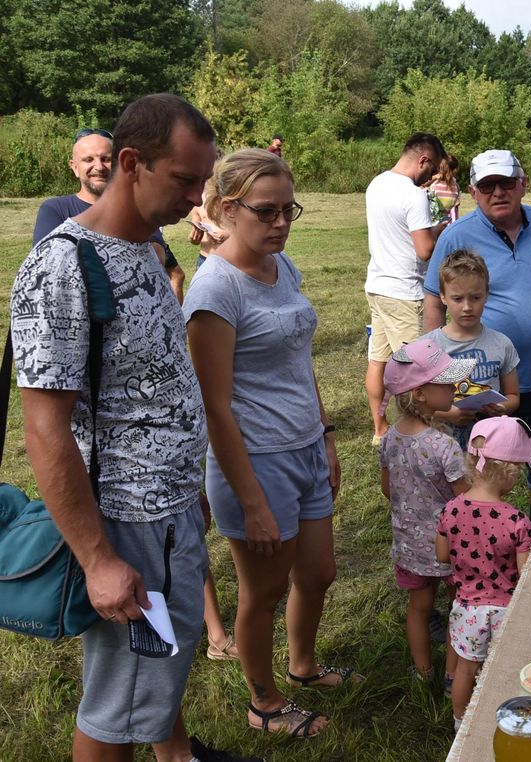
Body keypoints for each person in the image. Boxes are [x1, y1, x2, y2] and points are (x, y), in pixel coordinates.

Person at [11, 93, 257, 762]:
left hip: (169, 510)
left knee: (152, 677)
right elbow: (45, 430)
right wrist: (98, 559)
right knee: (113, 707)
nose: (194, 198)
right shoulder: (63, 266)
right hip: (124, 524)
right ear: (130, 163)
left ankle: (175, 754)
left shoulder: (146, 247)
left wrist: (186, 489)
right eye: (182, 180)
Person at [185, 148, 354, 740]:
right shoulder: (213, 291)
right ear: (228, 209)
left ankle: (302, 664)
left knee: (319, 572)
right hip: (254, 461)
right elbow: (214, 406)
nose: (281, 222)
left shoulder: (284, 268)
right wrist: (251, 498)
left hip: (305, 446)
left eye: (289, 210)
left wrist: (326, 435)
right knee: (263, 592)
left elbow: (299, 362)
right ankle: (264, 704)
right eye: (267, 211)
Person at [424, 149, 531, 531]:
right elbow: (433, 300)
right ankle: (476, 540)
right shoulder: (457, 236)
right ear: (473, 191)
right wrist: (435, 373)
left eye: (506, 183)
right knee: (477, 471)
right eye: (487, 185)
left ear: (523, 183)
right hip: (479, 386)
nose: (498, 192)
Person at [378, 338, 475, 682]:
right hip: (449, 545)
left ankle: (424, 673)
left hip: (409, 545)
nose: (454, 386)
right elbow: (464, 498)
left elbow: (386, 488)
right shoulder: (444, 445)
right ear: (420, 394)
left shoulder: (390, 438)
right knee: (458, 608)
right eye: (446, 380)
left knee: (419, 609)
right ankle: (453, 676)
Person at [435, 416, 531, 727]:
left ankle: (460, 722)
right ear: (509, 472)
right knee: (505, 670)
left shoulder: (451, 509)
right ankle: (506, 720)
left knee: (466, 669)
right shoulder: (517, 521)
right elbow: (526, 576)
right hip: (506, 610)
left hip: (467, 607)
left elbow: (441, 557)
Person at [33, 126, 186, 302]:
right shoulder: (54, 209)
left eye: (106, 159)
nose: (98, 166)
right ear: (74, 167)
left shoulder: (138, 207)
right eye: (88, 159)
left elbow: (155, 258)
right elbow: (48, 267)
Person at [364, 132, 449, 446]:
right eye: (432, 170)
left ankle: (380, 428)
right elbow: (424, 250)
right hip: (404, 290)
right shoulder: (413, 195)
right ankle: (415, 431)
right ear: (423, 159)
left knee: (378, 360)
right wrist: (441, 227)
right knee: (418, 369)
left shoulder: (376, 184)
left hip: (377, 285)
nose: (431, 177)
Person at [425, 249, 522, 448]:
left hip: (488, 444)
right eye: (458, 299)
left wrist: (501, 407)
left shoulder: (501, 344)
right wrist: (448, 413)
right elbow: (415, 404)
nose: (467, 307)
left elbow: (513, 396)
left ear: (486, 294)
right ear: (443, 296)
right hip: (440, 445)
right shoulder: (428, 347)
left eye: (475, 298)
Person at [426, 153, 461, 224]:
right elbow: (455, 208)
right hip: (446, 221)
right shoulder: (456, 186)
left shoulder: (434, 182)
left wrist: (433, 178)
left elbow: (422, 185)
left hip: (431, 221)